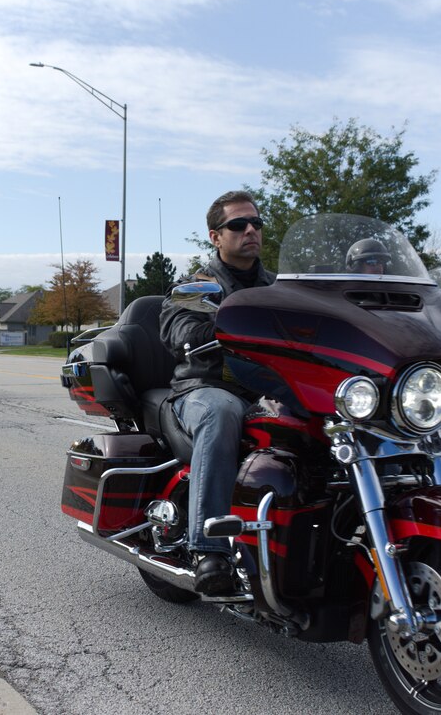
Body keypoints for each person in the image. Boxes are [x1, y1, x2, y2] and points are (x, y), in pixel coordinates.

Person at [159, 190, 276, 595]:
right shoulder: (197, 286)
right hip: (203, 389)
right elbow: (179, 333)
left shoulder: (279, 288)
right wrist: (228, 325)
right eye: (238, 225)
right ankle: (209, 549)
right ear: (215, 236)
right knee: (222, 412)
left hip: (266, 390)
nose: (250, 231)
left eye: (256, 224)